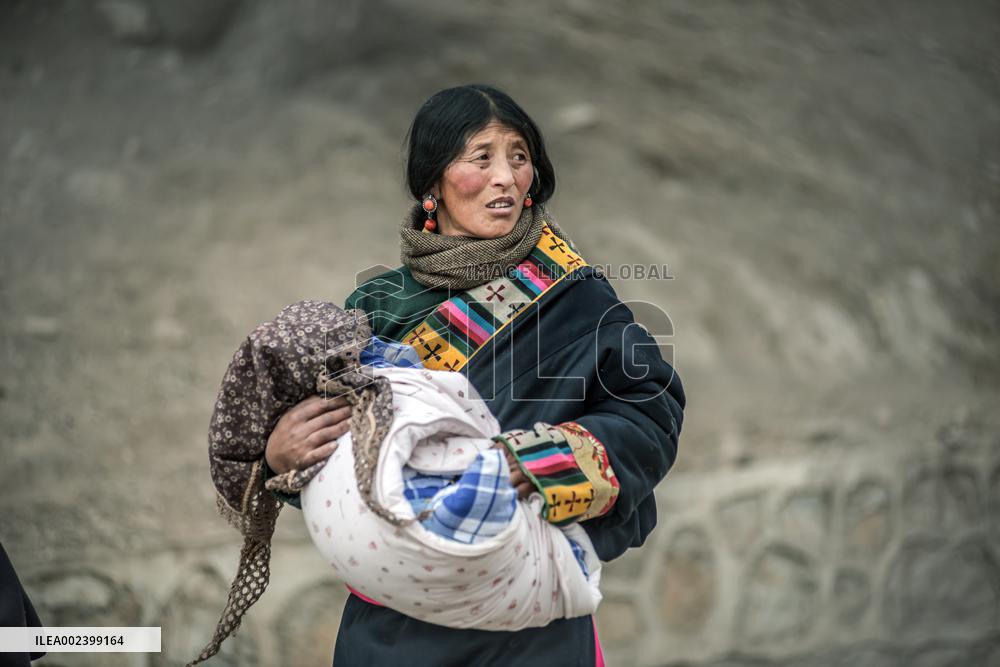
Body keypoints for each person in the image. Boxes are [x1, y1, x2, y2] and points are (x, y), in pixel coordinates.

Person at [263, 84, 685, 667]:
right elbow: (349, 460)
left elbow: (649, 412)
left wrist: (540, 462)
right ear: (431, 183)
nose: (506, 177)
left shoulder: (577, 298)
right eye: (480, 157)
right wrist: (286, 457)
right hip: (392, 628)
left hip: (526, 621)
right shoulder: (377, 306)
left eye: (518, 156)